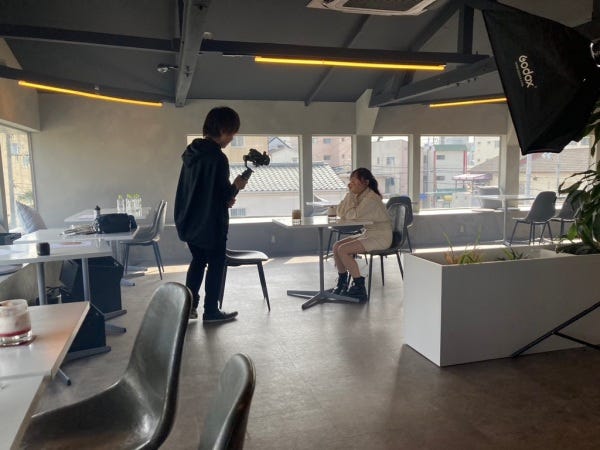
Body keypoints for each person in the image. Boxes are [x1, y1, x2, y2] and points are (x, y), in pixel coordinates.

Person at [174, 106, 248, 323]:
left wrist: (224, 198)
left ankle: (188, 307)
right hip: (210, 224)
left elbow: (203, 191)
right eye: (232, 133)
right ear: (223, 130)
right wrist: (236, 186)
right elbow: (223, 194)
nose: (232, 138)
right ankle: (211, 311)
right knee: (216, 264)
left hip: (189, 221)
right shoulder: (217, 157)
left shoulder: (192, 152)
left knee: (198, 261)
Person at [331, 168, 392, 301]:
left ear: (365, 182)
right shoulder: (358, 195)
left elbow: (352, 215)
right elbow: (340, 212)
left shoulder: (371, 199)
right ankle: (342, 282)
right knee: (336, 246)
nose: (350, 184)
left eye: (354, 181)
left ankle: (359, 288)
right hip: (369, 233)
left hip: (381, 236)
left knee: (343, 250)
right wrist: (350, 194)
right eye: (350, 181)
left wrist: (350, 200)